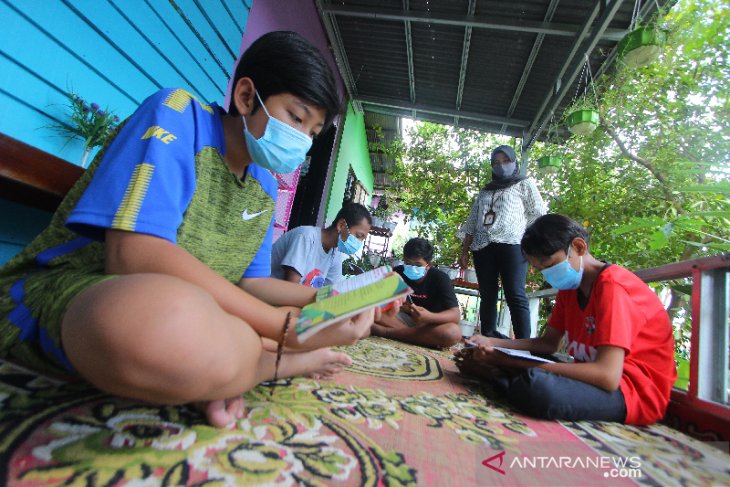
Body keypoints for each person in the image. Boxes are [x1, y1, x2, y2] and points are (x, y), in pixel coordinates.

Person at [0, 31, 380, 428]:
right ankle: (270, 363)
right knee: (163, 322)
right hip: (77, 291)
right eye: (296, 118)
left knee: (203, 324)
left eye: (312, 134)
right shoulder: (179, 114)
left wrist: (327, 300)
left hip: (199, 310)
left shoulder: (264, 188)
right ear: (247, 97)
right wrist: (287, 329)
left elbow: (251, 285)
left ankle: (219, 369)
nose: (301, 141)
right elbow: (132, 255)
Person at [456, 214, 676, 425]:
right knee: (494, 338)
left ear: (579, 247)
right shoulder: (570, 288)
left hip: (630, 390)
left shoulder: (613, 287)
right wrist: (493, 343)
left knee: (538, 388)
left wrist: (508, 362)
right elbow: (547, 343)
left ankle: (497, 375)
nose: (548, 274)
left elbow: (607, 376)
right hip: (590, 375)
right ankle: (502, 373)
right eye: (541, 270)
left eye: (550, 265)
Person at [459, 145, 545, 339]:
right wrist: (464, 251)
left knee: (515, 294)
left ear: (514, 162)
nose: (501, 166)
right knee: (487, 295)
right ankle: (488, 337)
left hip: (513, 245)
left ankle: (523, 344)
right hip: (482, 246)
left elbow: (538, 213)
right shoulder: (485, 191)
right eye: (496, 163)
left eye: (506, 161)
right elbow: (472, 222)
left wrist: (528, 240)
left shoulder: (524, 184)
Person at [372, 238, 462, 348]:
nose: (412, 268)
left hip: (429, 325)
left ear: (429, 265)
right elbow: (380, 301)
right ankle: (416, 337)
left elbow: (455, 315)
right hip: (401, 320)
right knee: (370, 310)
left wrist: (429, 317)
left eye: (418, 265)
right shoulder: (397, 272)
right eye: (408, 263)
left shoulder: (440, 278)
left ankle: (386, 333)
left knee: (452, 333)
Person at [271, 202, 372, 288]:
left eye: (362, 239)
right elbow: (290, 289)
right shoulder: (306, 237)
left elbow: (331, 292)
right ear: (341, 225)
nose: (359, 243)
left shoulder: (335, 254)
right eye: (358, 236)